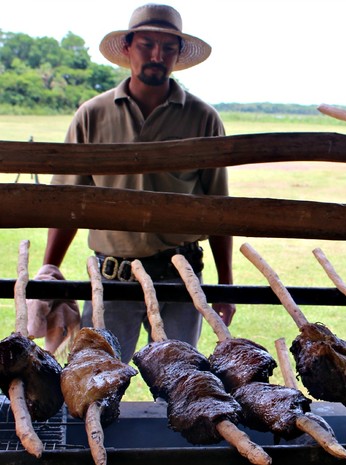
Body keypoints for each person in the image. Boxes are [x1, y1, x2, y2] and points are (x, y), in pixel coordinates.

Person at [26, 3, 236, 363]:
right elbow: (66, 204)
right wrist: (49, 272)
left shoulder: (203, 118)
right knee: (98, 378)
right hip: (112, 280)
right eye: (146, 44)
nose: (158, 55)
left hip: (180, 281)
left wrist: (226, 285)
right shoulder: (92, 115)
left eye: (169, 47)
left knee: (181, 385)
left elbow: (218, 209)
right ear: (127, 47)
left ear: (178, 54)